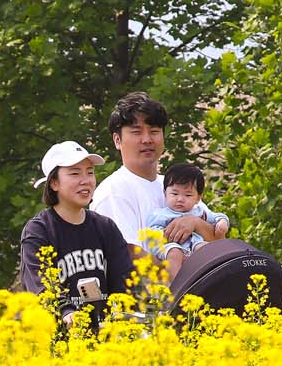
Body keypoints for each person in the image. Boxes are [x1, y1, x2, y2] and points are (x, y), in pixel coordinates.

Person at [89, 91, 219, 259]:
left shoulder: (175, 186)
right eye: (136, 132)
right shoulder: (113, 191)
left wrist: (194, 222)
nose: (147, 139)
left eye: (154, 131)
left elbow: (219, 240)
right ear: (117, 140)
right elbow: (128, 255)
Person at [18, 140, 133, 326]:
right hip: (56, 340)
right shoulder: (38, 231)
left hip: (105, 339)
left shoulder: (105, 227)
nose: (86, 180)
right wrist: (67, 311)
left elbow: (125, 282)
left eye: (90, 172)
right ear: (54, 183)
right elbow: (41, 285)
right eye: (74, 173)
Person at [142, 162, 231, 279]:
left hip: (193, 245)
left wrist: (222, 223)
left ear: (198, 198)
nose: (180, 199)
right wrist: (163, 236)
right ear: (165, 194)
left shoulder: (199, 211)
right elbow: (152, 233)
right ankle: (175, 286)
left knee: (206, 250)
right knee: (175, 253)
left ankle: (206, 281)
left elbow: (216, 217)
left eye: (188, 195)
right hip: (169, 245)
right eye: (174, 193)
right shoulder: (160, 214)